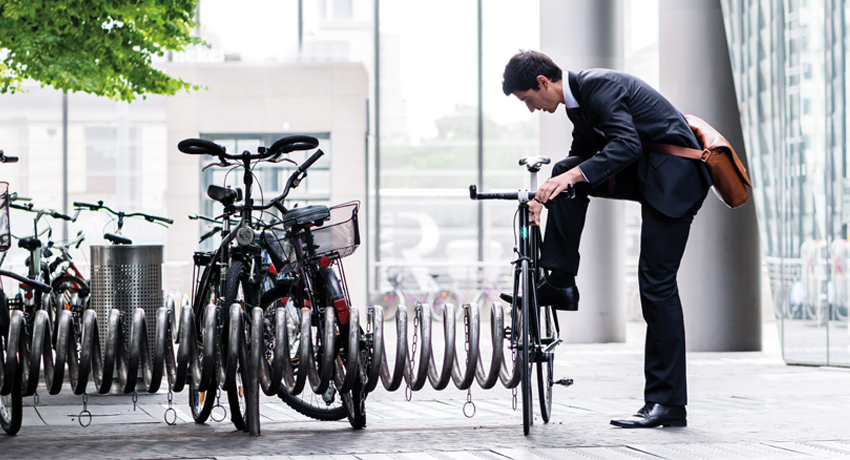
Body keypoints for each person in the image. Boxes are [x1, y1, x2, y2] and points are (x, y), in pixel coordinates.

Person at [501, 50, 711, 428]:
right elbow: (578, 160)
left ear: (543, 83)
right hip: (650, 174)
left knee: (656, 287)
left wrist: (566, 179)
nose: (531, 109)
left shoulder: (598, 86)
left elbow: (626, 145)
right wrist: (545, 196)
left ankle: (667, 404)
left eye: (528, 100)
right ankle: (561, 282)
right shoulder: (576, 105)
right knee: (565, 174)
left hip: (676, 180)